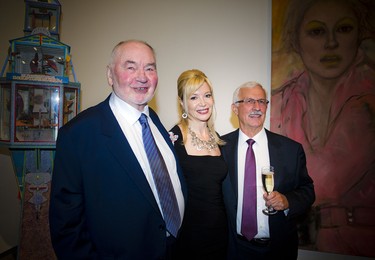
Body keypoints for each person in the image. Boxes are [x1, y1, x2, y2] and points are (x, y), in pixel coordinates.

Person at [49, 40, 187, 259]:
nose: (142, 76)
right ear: (110, 75)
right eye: (130, 67)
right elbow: (67, 228)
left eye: (150, 68)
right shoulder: (77, 135)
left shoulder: (156, 123)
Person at [271, 0, 375, 256]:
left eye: (344, 29)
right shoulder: (283, 101)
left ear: (359, 35)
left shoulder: (368, 102)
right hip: (297, 242)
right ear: (296, 40)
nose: (331, 43)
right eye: (317, 31)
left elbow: (325, 183)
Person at [222, 81, 315, 259]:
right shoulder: (220, 148)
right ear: (235, 109)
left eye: (262, 101)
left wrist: (287, 201)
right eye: (249, 101)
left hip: (277, 249)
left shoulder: (291, 150)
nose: (257, 107)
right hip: (233, 248)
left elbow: (308, 191)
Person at [168, 69, 228, 259]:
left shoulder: (216, 138)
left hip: (220, 233)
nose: (203, 103)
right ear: (182, 102)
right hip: (189, 236)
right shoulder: (173, 139)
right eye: (194, 97)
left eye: (207, 95)